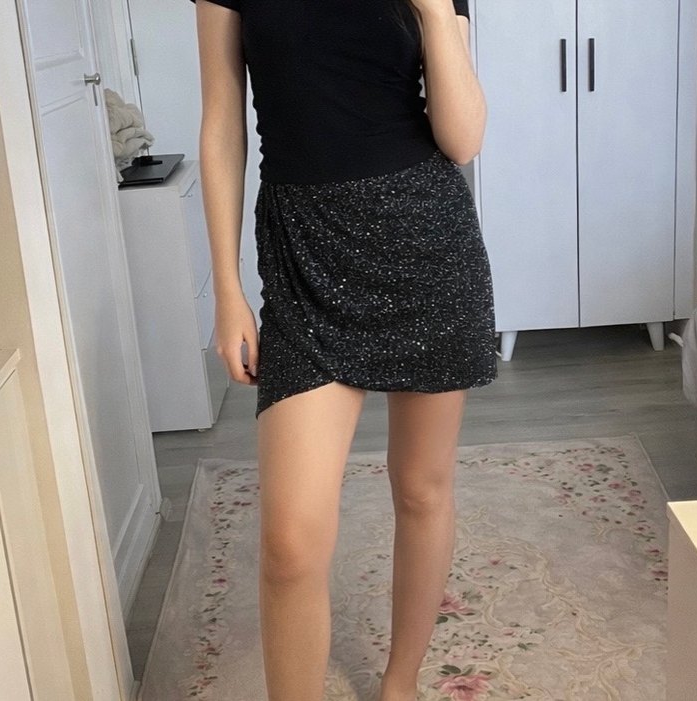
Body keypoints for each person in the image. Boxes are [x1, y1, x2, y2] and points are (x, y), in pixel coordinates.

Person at [193, 1, 495, 699]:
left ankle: (400, 683)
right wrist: (228, 289)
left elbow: (463, 139)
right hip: (304, 257)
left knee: (421, 488)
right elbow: (221, 122)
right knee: (289, 545)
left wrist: (433, 11)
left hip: (425, 246)